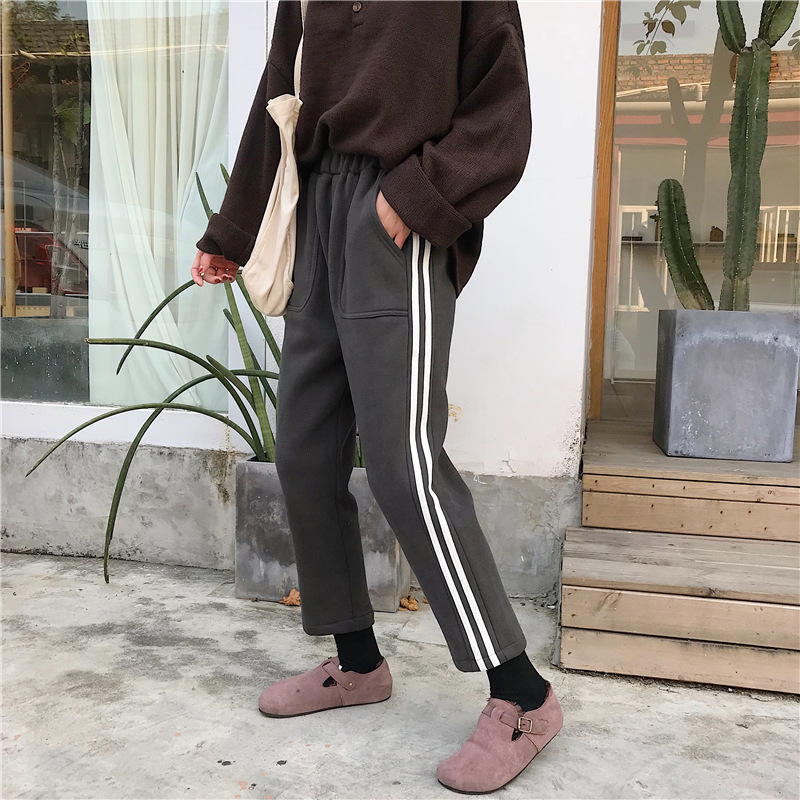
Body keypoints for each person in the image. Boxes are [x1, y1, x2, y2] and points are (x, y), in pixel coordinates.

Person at [191, 1, 563, 793]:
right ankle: (357, 662)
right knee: (303, 451)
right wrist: (233, 230)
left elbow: (503, 108)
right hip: (317, 211)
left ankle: (524, 695)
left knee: (403, 467)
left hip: (397, 213)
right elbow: (277, 96)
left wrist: (417, 196)